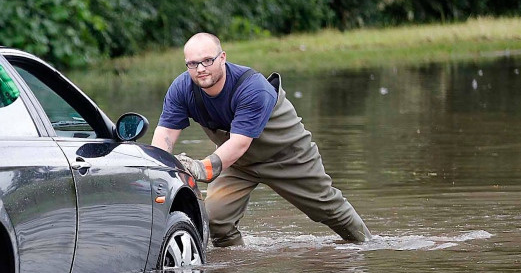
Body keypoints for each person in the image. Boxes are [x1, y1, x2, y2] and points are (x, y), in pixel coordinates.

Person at [152, 32, 370, 247]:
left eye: (207, 61)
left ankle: (367, 247)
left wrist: (200, 168)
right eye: (193, 64)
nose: (200, 69)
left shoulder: (252, 87)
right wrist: (156, 169)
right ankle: (234, 270)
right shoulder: (182, 88)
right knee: (215, 220)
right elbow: (165, 134)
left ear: (223, 58)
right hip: (236, 164)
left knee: (330, 209)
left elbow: (240, 142)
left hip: (288, 157)